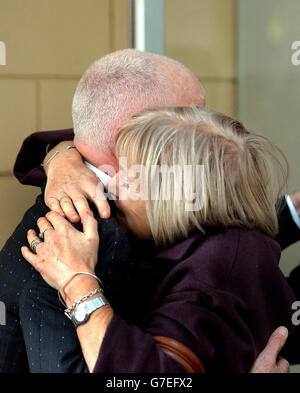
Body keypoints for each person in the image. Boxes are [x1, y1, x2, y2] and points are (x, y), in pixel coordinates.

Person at [0, 49, 296, 372]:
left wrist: (59, 154)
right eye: (190, 115)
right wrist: (78, 285)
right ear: (140, 136)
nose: (207, 127)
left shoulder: (142, 212)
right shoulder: (80, 236)